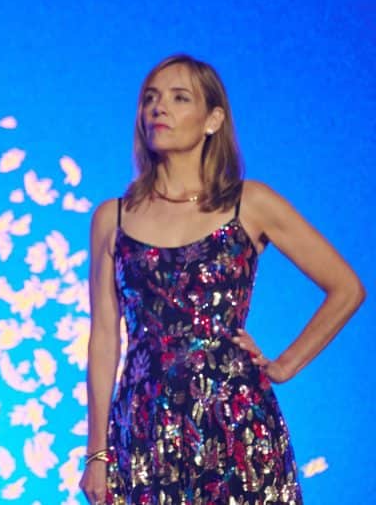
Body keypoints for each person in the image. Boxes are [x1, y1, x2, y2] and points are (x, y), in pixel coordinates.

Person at [80, 54, 364, 504]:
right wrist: (97, 454)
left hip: (234, 422)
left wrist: (285, 365)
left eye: (179, 98)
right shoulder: (111, 218)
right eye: (150, 98)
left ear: (213, 120)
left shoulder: (249, 203)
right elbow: (103, 341)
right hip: (145, 428)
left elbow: (347, 288)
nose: (158, 108)